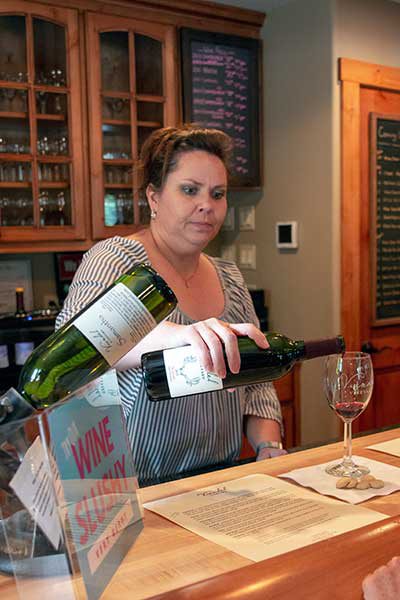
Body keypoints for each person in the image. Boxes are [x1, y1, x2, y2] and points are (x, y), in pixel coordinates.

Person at [56, 125, 285, 485]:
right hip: (129, 490)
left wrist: (268, 444)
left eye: (218, 193)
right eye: (189, 190)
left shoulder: (230, 278)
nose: (206, 205)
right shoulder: (115, 260)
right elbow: (76, 349)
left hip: (215, 482)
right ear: (154, 197)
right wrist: (181, 334)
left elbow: (257, 381)